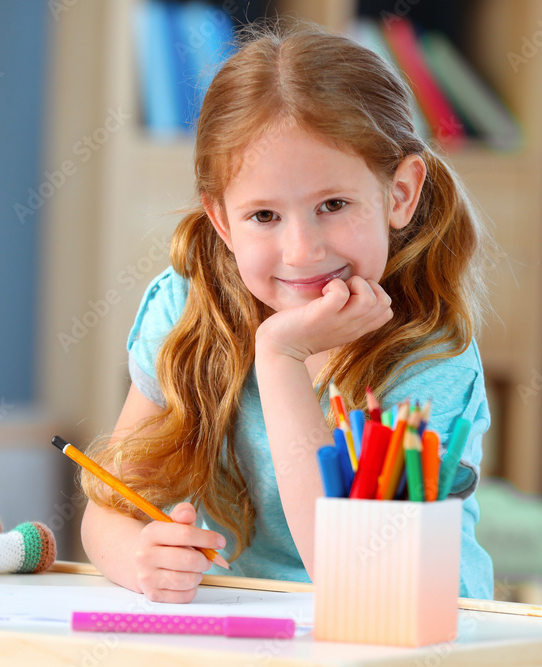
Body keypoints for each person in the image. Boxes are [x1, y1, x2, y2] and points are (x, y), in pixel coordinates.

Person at [80, 19, 495, 603]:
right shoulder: (184, 306)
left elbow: (357, 577)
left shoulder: (431, 352)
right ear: (222, 220)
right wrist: (137, 556)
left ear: (399, 194)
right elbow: (108, 508)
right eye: (264, 216)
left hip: (400, 622)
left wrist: (278, 356)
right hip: (241, 621)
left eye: (333, 204)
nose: (303, 251)